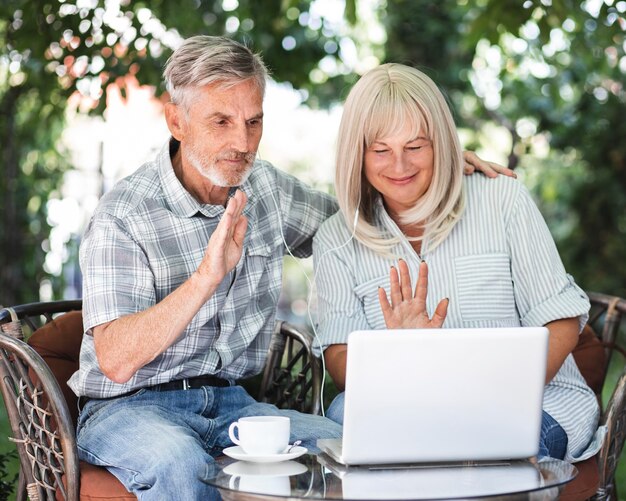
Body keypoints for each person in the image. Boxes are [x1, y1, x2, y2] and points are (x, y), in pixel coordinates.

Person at [69, 36, 509, 499]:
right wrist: (205, 278)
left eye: (253, 122)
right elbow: (115, 361)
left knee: (351, 450)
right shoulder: (124, 214)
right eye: (221, 121)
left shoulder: (267, 190)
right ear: (176, 120)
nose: (242, 142)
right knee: (182, 466)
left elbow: (358, 221)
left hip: (232, 404)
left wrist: (429, 167)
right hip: (128, 410)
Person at [313, 63, 604, 462]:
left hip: (537, 405)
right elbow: (340, 359)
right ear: (356, 154)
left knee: (472, 452)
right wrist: (398, 353)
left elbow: (562, 321)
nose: (400, 167)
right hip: (408, 410)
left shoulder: (502, 200)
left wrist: (501, 399)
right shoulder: (335, 239)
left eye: (416, 147)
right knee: (346, 419)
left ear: (442, 143)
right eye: (381, 150)